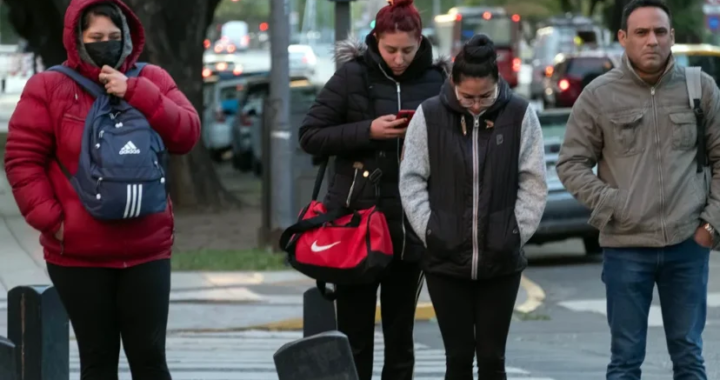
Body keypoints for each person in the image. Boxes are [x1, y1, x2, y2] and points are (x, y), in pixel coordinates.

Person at [4, 0, 200, 378]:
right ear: (77, 40)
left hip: (147, 250)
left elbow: (186, 135)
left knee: (150, 359)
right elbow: (22, 160)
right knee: (97, 360)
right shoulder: (48, 87)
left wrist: (136, 92)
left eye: (113, 37)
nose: (106, 44)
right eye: (96, 38)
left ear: (127, 37)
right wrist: (53, 221)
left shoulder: (153, 79)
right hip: (79, 255)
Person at [556, 0, 720, 379]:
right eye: (642, 33)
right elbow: (571, 163)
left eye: (660, 32)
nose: (652, 41)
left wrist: (710, 225)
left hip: (687, 245)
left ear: (672, 37)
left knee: (690, 358)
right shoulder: (599, 95)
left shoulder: (701, 88)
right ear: (623, 38)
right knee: (625, 361)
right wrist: (612, 204)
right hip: (626, 248)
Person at [298, 0, 448, 378]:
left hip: (410, 225)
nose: (399, 59)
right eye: (390, 50)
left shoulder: (437, 80)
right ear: (375, 41)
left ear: (420, 43)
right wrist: (368, 131)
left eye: (408, 51)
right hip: (356, 226)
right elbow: (311, 135)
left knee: (401, 338)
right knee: (354, 335)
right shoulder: (352, 76)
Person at [399, 34, 547, 380]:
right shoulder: (430, 115)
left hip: (502, 258)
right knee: (458, 358)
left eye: (485, 96)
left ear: (498, 82)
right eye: (468, 97)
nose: (477, 105)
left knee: (493, 359)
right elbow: (412, 178)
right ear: (453, 84)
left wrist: (516, 231)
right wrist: (430, 229)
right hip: (445, 258)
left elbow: (533, 180)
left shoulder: (520, 114)